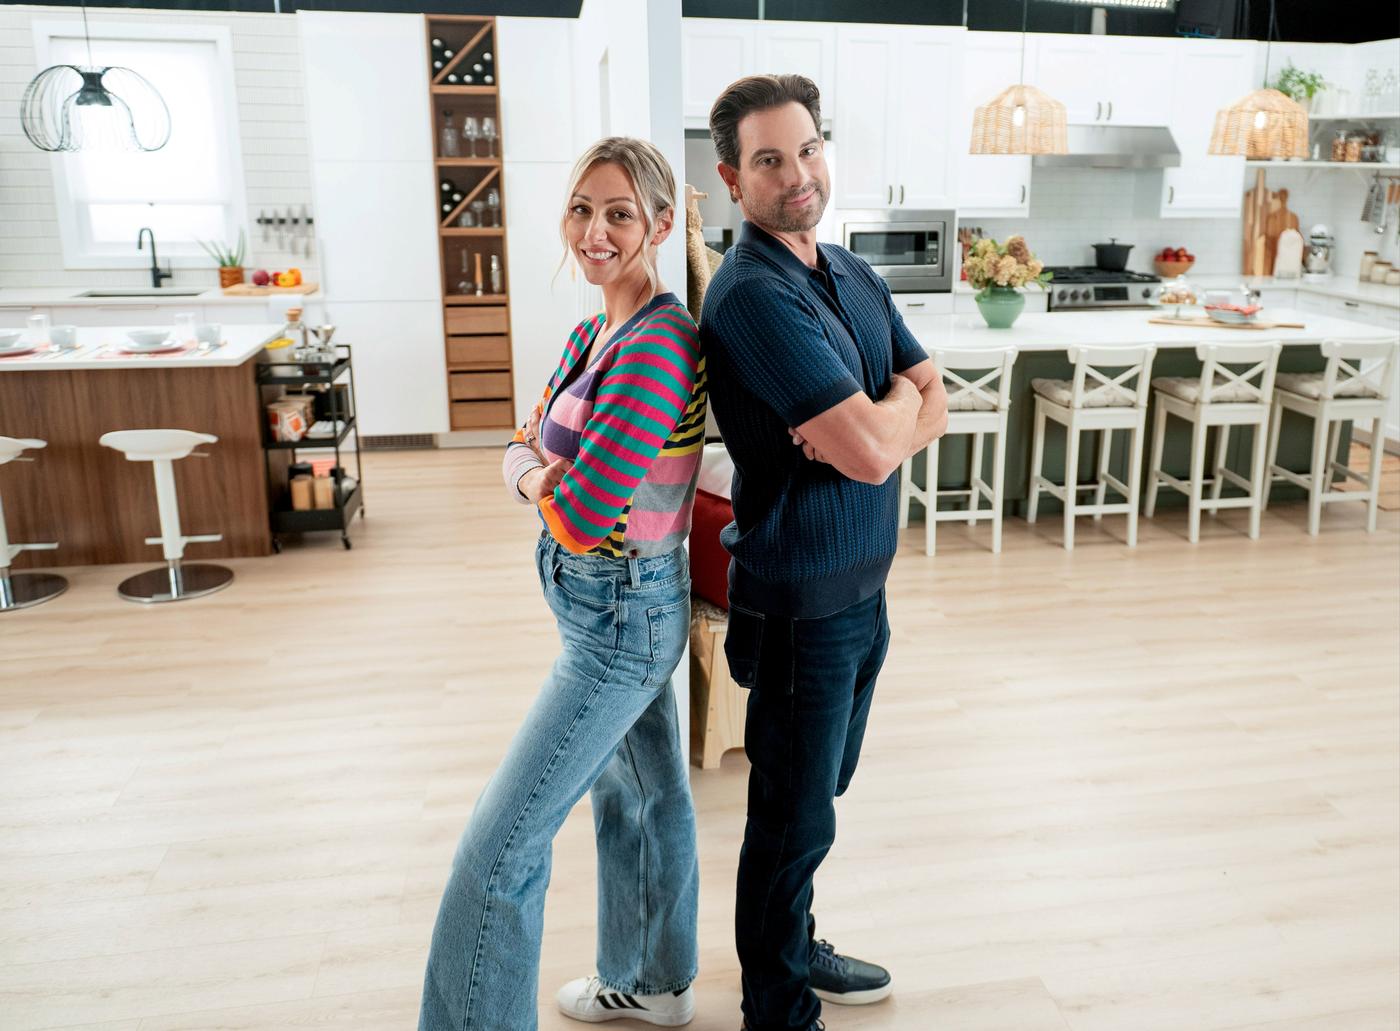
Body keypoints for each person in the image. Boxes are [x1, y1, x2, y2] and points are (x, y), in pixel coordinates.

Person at [420, 136, 708, 1031]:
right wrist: (537, 468)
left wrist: (536, 474)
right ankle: (654, 978)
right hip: (604, 605)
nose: (595, 230)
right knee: (642, 793)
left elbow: (577, 507)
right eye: (582, 208)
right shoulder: (596, 331)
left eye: (620, 212)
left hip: (622, 613)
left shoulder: (660, 346)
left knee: (498, 848)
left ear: (661, 224)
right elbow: (524, 439)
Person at [698, 75, 949, 1031]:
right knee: (792, 817)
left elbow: (931, 395)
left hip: (862, 587)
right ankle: (779, 1003)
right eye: (768, 159)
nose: (796, 174)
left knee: (820, 793)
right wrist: (882, 424)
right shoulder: (753, 295)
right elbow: (885, 440)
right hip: (801, 598)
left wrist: (876, 420)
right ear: (733, 177)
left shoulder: (847, 270)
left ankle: (794, 943)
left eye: (806, 149)